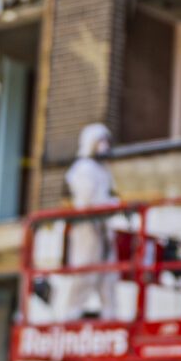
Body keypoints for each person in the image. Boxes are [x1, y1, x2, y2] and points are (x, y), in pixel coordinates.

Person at [65, 122, 115, 318]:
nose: (105, 146)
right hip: (88, 228)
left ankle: (110, 313)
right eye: (100, 141)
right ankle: (72, 313)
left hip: (103, 227)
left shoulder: (104, 170)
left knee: (109, 273)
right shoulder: (83, 169)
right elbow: (88, 200)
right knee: (85, 271)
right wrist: (108, 204)